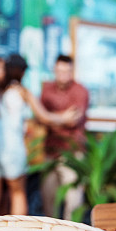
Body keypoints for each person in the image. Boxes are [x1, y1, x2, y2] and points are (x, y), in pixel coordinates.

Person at [0, 54, 79, 217]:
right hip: (11, 149)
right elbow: (44, 116)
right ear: (22, 72)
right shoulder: (21, 91)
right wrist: (65, 118)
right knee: (17, 194)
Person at [39, 54, 90, 220]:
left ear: (72, 71)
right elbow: (39, 119)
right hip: (50, 152)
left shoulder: (80, 91)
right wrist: (60, 117)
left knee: (73, 200)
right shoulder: (46, 89)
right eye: (59, 71)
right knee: (48, 199)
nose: (63, 75)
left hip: (72, 153)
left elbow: (73, 120)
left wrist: (49, 117)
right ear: (54, 70)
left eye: (67, 72)